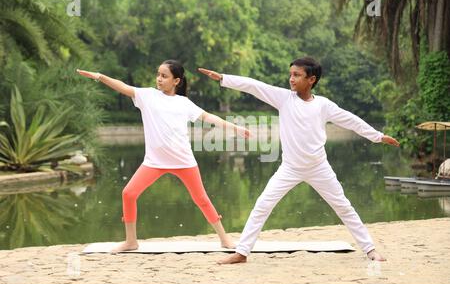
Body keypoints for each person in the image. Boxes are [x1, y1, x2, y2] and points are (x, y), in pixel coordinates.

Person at [198, 57, 400, 263]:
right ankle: (242, 252)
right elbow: (254, 86)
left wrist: (377, 136)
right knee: (262, 205)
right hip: (290, 168)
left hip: (319, 167)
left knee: (344, 207)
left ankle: (370, 250)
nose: (291, 79)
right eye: (290, 74)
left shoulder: (323, 105)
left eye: (297, 75)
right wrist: (224, 78)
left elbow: (349, 119)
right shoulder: (284, 98)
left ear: (311, 79)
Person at [77, 60, 250, 252]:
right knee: (128, 194)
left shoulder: (183, 103)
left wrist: (234, 127)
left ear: (176, 81)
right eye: (158, 74)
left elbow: (208, 117)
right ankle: (131, 241)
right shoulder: (148, 96)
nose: (159, 79)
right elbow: (123, 86)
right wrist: (100, 77)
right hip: (154, 162)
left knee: (201, 199)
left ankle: (225, 239)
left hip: (183, 161)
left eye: (164, 76)